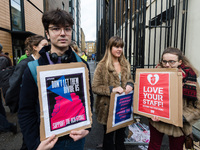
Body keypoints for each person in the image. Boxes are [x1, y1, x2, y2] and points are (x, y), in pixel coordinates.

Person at [18, 9, 93, 150]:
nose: (63, 33)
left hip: (76, 140)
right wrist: (35, 145)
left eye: (67, 29)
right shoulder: (33, 69)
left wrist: (87, 128)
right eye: (56, 29)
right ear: (47, 33)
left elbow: (89, 101)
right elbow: (25, 112)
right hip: (46, 143)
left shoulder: (82, 66)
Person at [148, 47, 200, 150]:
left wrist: (182, 117)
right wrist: (151, 112)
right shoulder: (154, 75)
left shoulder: (190, 78)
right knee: (153, 146)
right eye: (165, 61)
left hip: (178, 125)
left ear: (180, 61)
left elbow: (197, 106)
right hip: (157, 121)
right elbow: (148, 98)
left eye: (172, 61)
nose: (167, 65)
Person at [92, 36, 134, 150]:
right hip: (108, 108)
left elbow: (130, 79)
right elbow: (95, 87)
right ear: (110, 48)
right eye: (116, 46)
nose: (119, 49)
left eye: (121, 47)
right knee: (108, 138)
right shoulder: (102, 65)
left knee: (121, 137)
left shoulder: (125, 63)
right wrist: (112, 89)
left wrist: (130, 84)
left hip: (123, 106)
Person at [6, 35, 48, 113]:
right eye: (44, 45)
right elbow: (14, 86)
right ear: (34, 47)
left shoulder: (46, 62)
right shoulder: (24, 64)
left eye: (48, 45)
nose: (48, 48)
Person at [0, 43, 17, 134]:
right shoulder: (3, 57)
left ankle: (9, 126)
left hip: (4, 83)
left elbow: (2, 74)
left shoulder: (2, 59)